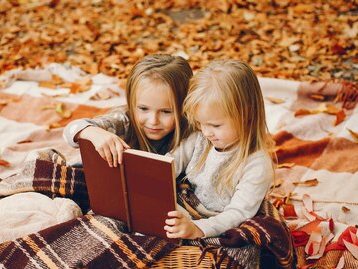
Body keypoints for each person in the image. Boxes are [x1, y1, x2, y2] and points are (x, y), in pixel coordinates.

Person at [164, 59, 275, 240]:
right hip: (186, 207)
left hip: (218, 224)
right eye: (200, 123)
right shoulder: (200, 139)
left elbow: (238, 214)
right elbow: (170, 163)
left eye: (215, 125)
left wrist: (197, 229)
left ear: (246, 114)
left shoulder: (256, 164)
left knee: (241, 247)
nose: (206, 132)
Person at [63, 54, 193, 167]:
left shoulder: (193, 131)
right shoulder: (124, 120)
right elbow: (70, 130)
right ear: (131, 102)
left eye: (166, 111)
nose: (153, 121)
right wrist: (93, 132)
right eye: (143, 108)